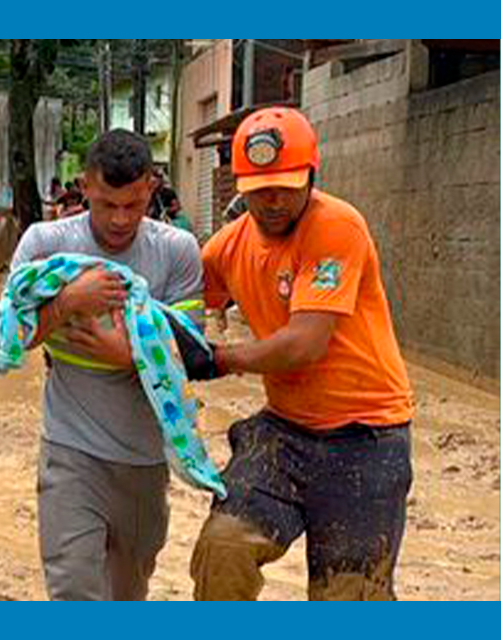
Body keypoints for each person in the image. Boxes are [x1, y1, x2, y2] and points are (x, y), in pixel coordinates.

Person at [185, 107, 414, 601]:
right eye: (258, 188)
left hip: (366, 437)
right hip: (285, 433)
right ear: (239, 186)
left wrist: (220, 358)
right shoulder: (228, 246)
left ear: (311, 175)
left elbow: (305, 344)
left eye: (286, 186)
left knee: (350, 598)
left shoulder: (337, 227)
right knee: (222, 549)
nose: (272, 201)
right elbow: (172, 306)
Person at [9, 129, 204, 600]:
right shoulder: (45, 244)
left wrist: (128, 356)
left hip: (144, 459)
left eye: (132, 206)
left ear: (150, 190)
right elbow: (11, 341)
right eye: (106, 204)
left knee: (128, 593)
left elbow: (190, 357)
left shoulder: (177, 251)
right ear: (85, 188)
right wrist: (66, 303)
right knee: (73, 591)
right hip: (70, 450)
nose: (119, 220)